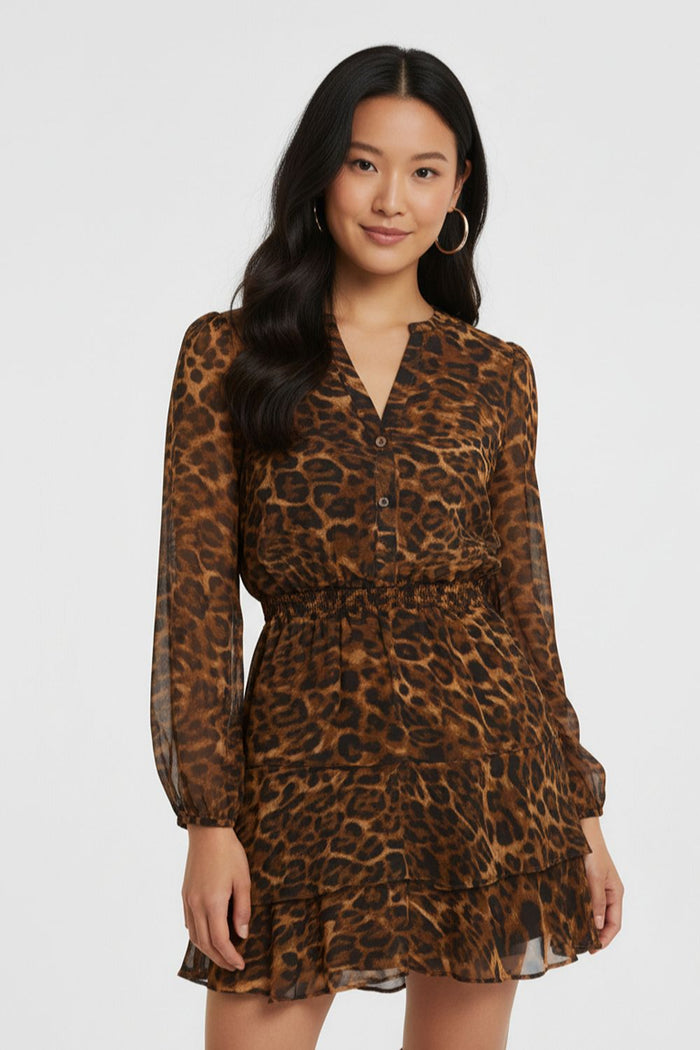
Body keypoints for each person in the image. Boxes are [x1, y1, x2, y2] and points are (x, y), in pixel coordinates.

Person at [150, 44, 623, 1050]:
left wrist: (581, 811)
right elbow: (194, 605)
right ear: (320, 172)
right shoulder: (227, 355)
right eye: (363, 163)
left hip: (486, 771)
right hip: (301, 772)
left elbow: (522, 600)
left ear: (458, 192)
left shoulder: (494, 372)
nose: (390, 199)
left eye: (423, 170)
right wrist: (208, 820)